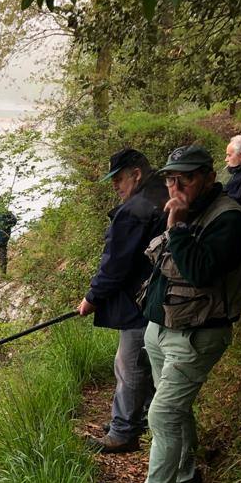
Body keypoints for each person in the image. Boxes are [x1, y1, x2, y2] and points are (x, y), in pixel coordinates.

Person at [118, 145, 241, 483]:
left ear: (210, 178)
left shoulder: (231, 220)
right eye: (170, 178)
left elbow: (198, 272)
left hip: (197, 335)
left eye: (186, 178)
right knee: (173, 409)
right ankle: (185, 475)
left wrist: (176, 227)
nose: (175, 186)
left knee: (162, 413)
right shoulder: (188, 210)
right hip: (163, 327)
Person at [77, 148, 167, 453]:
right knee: (145, 362)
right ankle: (137, 419)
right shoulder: (163, 192)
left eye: (118, 178)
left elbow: (115, 265)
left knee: (129, 364)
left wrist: (92, 298)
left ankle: (123, 432)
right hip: (160, 298)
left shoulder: (136, 210)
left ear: (136, 174)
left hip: (140, 302)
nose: (115, 185)